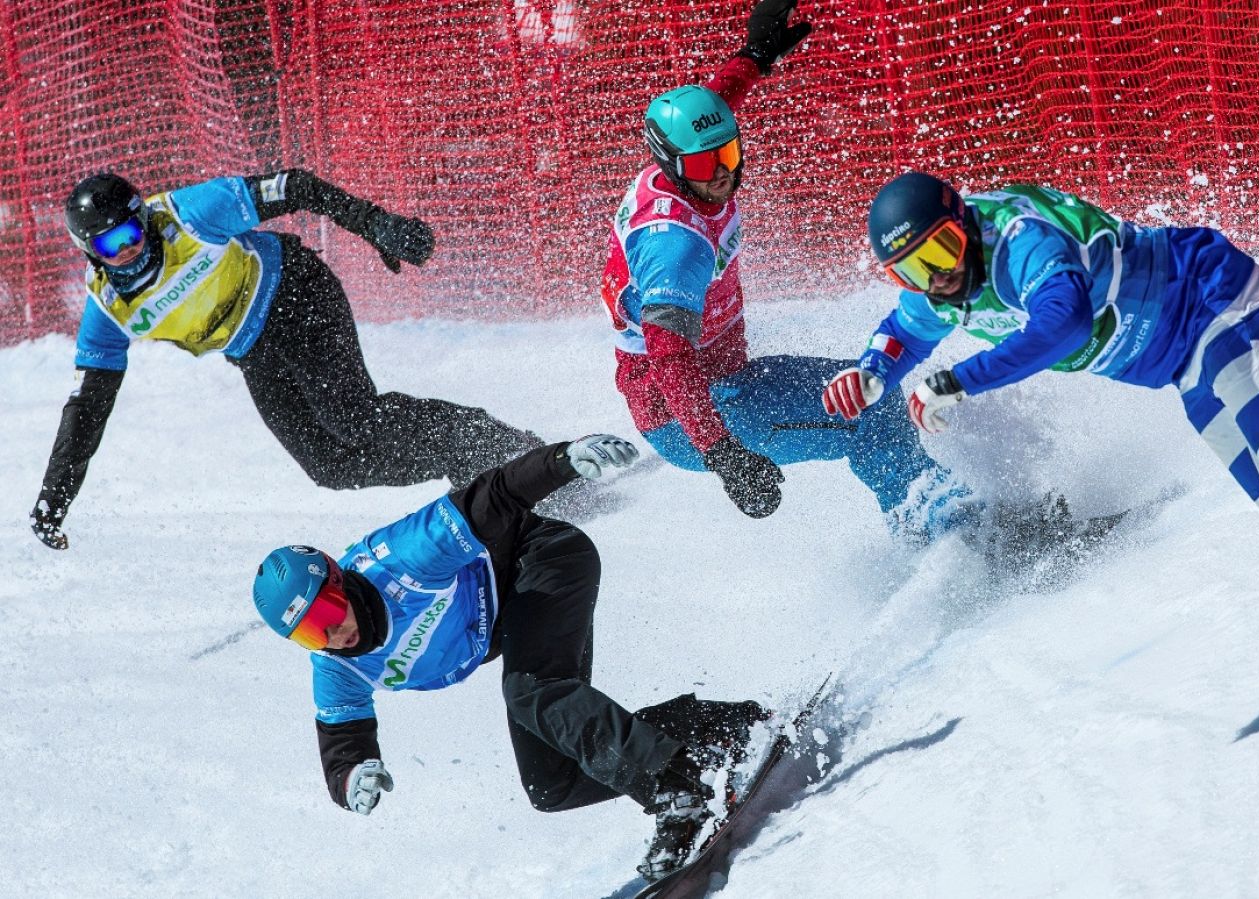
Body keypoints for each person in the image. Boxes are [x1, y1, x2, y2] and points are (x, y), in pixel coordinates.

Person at [824, 171, 1259, 606]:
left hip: (1215, 300)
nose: (941, 277)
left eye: (945, 251)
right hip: (1182, 359)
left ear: (965, 222)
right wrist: (870, 371)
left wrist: (960, 379)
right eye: (918, 270)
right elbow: (904, 328)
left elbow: (1064, 321)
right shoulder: (941, 292)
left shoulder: (1017, 240)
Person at [250, 435, 770, 882]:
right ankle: (719, 730)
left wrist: (565, 458)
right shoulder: (336, 666)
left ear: (340, 581)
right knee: (551, 785)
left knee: (532, 692)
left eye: (330, 612)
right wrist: (351, 776)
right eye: (310, 635)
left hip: (541, 561)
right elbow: (343, 740)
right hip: (505, 621)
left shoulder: (406, 555)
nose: (334, 635)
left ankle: (673, 789)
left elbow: (494, 494)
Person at [600, 0, 977, 541]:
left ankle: (940, 514)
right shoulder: (676, 247)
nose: (726, 174)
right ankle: (950, 534)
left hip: (724, 384)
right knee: (867, 408)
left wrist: (754, 56)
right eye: (709, 167)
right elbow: (670, 361)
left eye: (730, 153)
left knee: (870, 389)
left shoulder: (689, 163)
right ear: (673, 166)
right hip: (695, 414)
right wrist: (724, 456)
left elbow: (714, 108)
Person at [29, 170, 543, 550]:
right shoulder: (109, 312)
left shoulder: (189, 215)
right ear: (90, 252)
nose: (130, 250)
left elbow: (294, 186)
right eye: (111, 244)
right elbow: (86, 409)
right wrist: (57, 495)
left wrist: (374, 224)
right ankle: (473, 466)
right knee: (329, 465)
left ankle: (515, 455)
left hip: (296, 292)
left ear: (146, 217)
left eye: (134, 232)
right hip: (253, 349)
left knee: (355, 418)